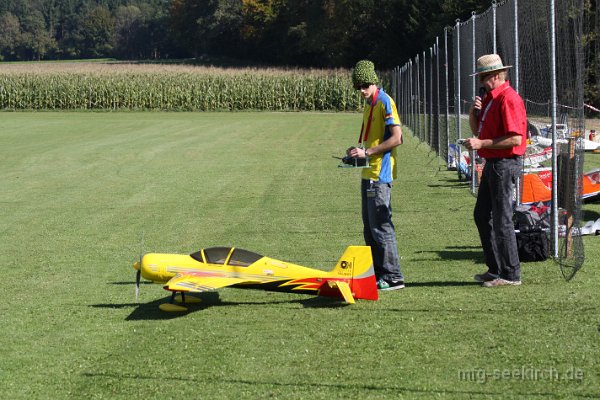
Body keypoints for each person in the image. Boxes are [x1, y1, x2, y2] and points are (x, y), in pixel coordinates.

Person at [463, 54, 527, 287]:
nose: (481, 82)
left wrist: (482, 144)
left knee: (502, 220)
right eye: (480, 77)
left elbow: (515, 139)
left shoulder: (508, 99)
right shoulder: (490, 98)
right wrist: (473, 113)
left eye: (484, 77)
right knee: (482, 215)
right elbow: (478, 131)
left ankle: (510, 274)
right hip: (493, 164)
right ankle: (495, 269)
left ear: (498, 75)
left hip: (504, 163)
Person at [346, 60, 405, 290]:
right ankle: (379, 274)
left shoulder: (384, 101)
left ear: (373, 82)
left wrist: (368, 152)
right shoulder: (369, 104)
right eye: (357, 86)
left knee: (381, 226)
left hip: (380, 174)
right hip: (367, 172)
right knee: (369, 229)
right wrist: (356, 153)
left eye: (364, 85)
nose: (361, 90)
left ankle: (394, 276)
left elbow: (397, 138)